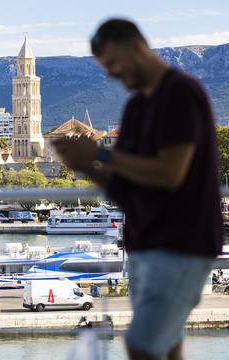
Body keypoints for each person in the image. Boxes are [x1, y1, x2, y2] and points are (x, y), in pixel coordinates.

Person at [53, 19, 222, 360]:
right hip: (146, 245)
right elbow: (125, 189)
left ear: (136, 48)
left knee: (141, 345)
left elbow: (171, 173)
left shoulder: (181, 93)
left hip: (183, 244)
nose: (110, 74)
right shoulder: (135, 108)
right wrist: (85, 166)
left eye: (113, 63)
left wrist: (99, 153)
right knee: (169, 346)